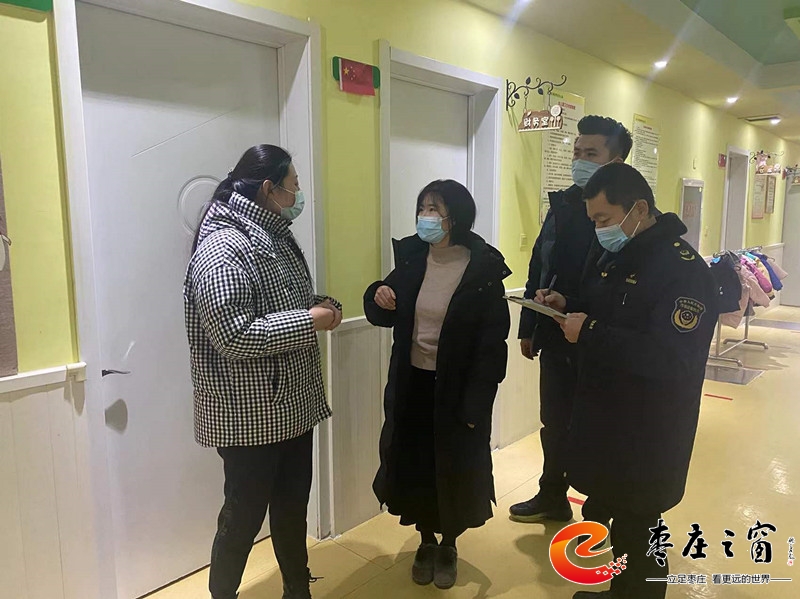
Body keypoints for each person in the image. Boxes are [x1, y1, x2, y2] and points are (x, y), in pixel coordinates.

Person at [539, 163, 718, 599]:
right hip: (611, 417)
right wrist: (568, 303)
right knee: (622, 519)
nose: (599, 229)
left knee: (640, 527)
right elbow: (612, 310)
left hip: (650, 427)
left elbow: (671, 358)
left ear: (638, 209)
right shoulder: (623, 254)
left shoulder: (683, 271)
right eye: (593, 220)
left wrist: (590, 331)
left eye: (603, 218)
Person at [184, 145, 343, 599]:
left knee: (292, 509)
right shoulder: (224, 246)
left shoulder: (274, 235)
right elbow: (233, 335)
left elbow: (284, 303)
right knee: (242, 519)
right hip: (249, 416)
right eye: (294, 185)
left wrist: (322, 306)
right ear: (269, 188)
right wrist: (309, 321)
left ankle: (297, 589)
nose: (299, 194)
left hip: (292, 406)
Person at [363, 180, 511, 590]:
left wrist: (476, 405)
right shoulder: (413, 258)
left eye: (435, 209)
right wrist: (378, 294)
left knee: (454, 466)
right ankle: (426, 539)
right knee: (416, 464)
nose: (425, 217)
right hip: (413, 384)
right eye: (422, 207)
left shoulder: (482, 269)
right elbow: (382, 309)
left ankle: (449, 544)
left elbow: (491, 346)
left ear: (455, 218)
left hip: (457, 390)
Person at [510, 116, 633, 526]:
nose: (579, 161)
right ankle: (552, 495)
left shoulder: (627, 217)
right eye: (577, 152)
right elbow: (539, 263)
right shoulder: (563, 204)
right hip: (555, 330)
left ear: (615, 162)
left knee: (598, 426)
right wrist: (529, 326)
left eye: (591, 154)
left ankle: (600, 511)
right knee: (554, 422)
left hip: (601, 340)